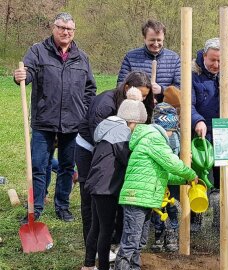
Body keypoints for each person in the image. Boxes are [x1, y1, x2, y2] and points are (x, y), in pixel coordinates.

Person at [13, 12, 96, 223]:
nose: (65, 32)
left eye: (69, 29)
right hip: (44, 121)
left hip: (73, 123)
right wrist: (21, 76)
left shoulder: (82, 57)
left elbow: (90, 89)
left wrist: (83, 111)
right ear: (54, 28)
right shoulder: (38, 51)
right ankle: (36, 208)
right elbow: (28, 71)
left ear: (74, 31)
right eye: (61, 27)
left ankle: (62, 206)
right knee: (39, 166)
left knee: (67, 167)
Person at [75, 71, 153, 253]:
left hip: (118, 148)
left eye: (145, 96)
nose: (142, 99)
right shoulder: (105, 104)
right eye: (140, 94)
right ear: (127, 88)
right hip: (90, 149)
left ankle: (112, 241)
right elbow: (100, 139)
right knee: (91, 198)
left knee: (116, 195)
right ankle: (92, 246)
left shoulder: (137, 104)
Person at [114, 112, 198, 270]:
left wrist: (184, 180)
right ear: (166, 128)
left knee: (140, 241)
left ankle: (134, 268)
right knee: (131, 241)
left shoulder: (150, 139)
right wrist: (190, 174)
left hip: (144, 199)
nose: (172, 135)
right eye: (172, 131)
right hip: (136, 198)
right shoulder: (154, 138)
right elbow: (172, 162)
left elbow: (165, 174)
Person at [82, 89, 147, 270]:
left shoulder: (107, 129)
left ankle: (88, 264)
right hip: (106, 188)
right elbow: (127, 160)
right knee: (106, 229)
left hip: (96, 183)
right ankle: (103, 266)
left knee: (96, 226)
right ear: (132, 121)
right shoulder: (121, 135)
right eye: (136, 125)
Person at [191, 37, 228, 232]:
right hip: (201, 137)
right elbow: (189, 104)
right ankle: (196, 220)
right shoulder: (193, 76)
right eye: (213, 60)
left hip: (225, 135)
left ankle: (219, 221)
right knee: (200, 176)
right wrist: (198, 120)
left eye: (221, 61)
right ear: (204, 56)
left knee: (224, 180)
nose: (216, 65)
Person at [117, 19, 180, 103]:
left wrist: (162, 89)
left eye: (159, 40)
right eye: (152, 40)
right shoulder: (131, 57)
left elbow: (181, 88)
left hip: (166, 110)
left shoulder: (174, 59)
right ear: (144, 38)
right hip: (137, 107)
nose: (156, 44)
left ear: (163, 38)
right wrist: (141, 94)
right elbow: (121, 86)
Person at [150, 102, 181, 252]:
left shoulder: (177, 136)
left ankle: (172, 232)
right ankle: (158, 233)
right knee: (158, 205)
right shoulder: (153, 137)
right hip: (157, 176)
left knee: (172, 204)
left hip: (174, 177)